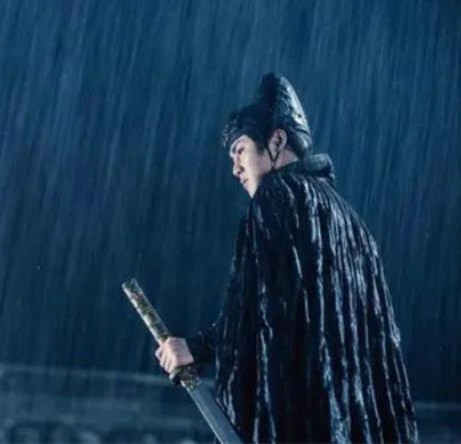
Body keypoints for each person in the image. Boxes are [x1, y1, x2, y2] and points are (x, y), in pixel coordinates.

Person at [155, 73, 419, 443]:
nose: (235, 168)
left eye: (240, 150)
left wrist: (195, 348)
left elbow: (260, 307)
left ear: (277, 141)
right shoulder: (352, 224)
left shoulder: (277, 196)